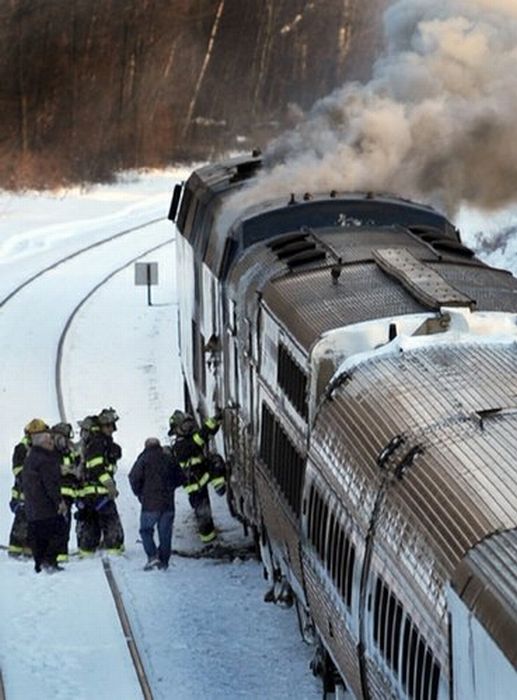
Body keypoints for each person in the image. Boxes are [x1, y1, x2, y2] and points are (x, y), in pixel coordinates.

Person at [168, 409, 226, 544]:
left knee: (205, 511)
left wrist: (216, 423)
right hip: (195, 485)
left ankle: (210, 538)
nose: (188, 428)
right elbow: (201, 438)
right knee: (203, 514)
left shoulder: (187, 440)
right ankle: (208, 540)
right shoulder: (180, 445)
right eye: (184, 426)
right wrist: (212, 422)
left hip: (199, 479)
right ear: (177, 429)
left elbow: (204, 436)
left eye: (189, 425)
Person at [128, 437, 185, 570]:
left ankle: (152, 557)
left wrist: (140, 494)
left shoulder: (143, 459)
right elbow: (181, 477)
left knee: (146, 530)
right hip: (168, 503)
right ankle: (164, 562)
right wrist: (170, 487)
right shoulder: (169, 459)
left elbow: (133, 478)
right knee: (165, 533)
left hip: (150, 504)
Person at [75, 408, 124, 556]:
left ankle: (87, 553)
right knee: (111, 526)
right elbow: (97, 468)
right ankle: (113, 553)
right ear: (101, 426)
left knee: (89, 527)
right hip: (100, 494)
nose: (112, 429)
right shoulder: (98, 443)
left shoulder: (96, 443)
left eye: (112, 426)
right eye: (109, 426)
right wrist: (109, 485)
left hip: (88, 495)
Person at [22, 427, 67, 573]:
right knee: (57, 532)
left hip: (33, 508)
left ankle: (40, 565)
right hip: (46, 508)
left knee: (38, 539)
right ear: (41, 442)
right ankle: (49, 563)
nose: (51, 442)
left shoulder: (31, 457)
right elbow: (50, 484)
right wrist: (59, 501)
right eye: (48, 439)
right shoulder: (45, 460)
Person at [8, 418, 50, 557]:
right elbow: (18, 471)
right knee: (21, 524)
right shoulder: (21, 449)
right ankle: (15, 552)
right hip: (23, 496)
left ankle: (30, 551)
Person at [51, 422, 82, 563]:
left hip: (68, 495)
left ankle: (61, 554)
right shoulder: (49, 450)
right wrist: (60, 469)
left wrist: (75, 471)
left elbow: (78, 467)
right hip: (53, 494)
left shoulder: (71, 451)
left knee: (64, 524)